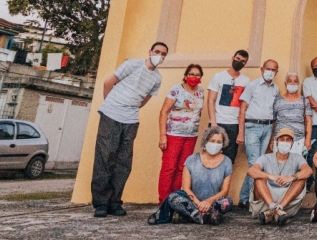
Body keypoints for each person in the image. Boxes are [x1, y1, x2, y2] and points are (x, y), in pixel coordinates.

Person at [92, 42, 167, 218]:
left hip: (131, 120)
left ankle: (115, 202)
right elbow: (108, 83)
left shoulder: (157, 78)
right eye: (157, 51)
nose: (159, 55)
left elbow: (145, 99)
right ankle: (101, 203)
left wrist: (130, 109)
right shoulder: (132, 64)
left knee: (124, 162)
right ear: (150, 51)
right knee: (105, 158)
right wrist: (111, 104)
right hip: (111, 115)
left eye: (163, 54)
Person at [157, 125, 233, 225]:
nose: (215, 144)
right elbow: (186, 188)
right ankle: (206, 217)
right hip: (192, 202)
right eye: (212, 141)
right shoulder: (191, 160)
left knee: (227, 202)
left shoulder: (227, 162)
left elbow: (225, 191)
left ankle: (189, 216)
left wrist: (208, 202)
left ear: (223, 144)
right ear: (205, 142)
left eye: (219, 142)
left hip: (212, 204)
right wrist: (198, 203)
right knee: (173, 198)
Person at [157, 63, 205, 203]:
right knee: (169, 168)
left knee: (182, 168)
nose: (194, 77)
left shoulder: (200, 91)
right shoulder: (176, 90)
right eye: (191, 74)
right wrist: (162, 135)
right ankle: (164, 201)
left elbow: (198, 111)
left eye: (197, 75)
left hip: (191, 136)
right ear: (185, 76)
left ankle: (175, 199)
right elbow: (164, 112)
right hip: (173, 134)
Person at [237, 59, 280, 205]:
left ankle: (243, 198)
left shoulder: (276, 89)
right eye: (268, 68)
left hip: (267, 128)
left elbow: (274, 114)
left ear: (276, 72)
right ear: (262, 69)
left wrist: (273, 135)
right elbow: (242, 109)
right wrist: (241, 133)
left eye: (273, 69)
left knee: (258, 165)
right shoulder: (252, 85)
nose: (270, 72)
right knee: (254, 163)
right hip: (252, 127)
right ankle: (253, 200)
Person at [248, 128, 312, 225]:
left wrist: (292, 178)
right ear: (276, 142)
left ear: (292, 143)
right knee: (259, 178)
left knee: (301, 179)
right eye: (282, 139)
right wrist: (270, 176)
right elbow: (251, 171)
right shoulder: (266, 157)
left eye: (288, 140)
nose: (285, 142)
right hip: (267, 199)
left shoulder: (297, 157)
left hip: (286, 201)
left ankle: (276, 210)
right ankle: (274, 209)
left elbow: (308, 171)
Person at [205, 50, 251, 164]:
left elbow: (243, 107)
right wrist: (214, 123)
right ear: (232, 58)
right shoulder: (218, 77)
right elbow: (211, 100)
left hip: (234, 125)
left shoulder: (246, 81)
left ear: (245, 64)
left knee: (229, 160)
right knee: (211, 156)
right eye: (238, 59)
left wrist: (241, 131)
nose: (239, 62)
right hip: (218, 122)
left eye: (243, 61)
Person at [272, 71, 311, 158]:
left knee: (297, 168)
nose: (293, 83)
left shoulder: (304, 101)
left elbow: (308, 121)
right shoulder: (278, 100)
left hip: (298, 141)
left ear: (298, 83)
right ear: (285, 83)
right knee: (279, 167)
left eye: (295, 81)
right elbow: (273, 121)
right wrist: (272, 140)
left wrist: (307, 140)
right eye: (290, 81)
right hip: (280, 140)